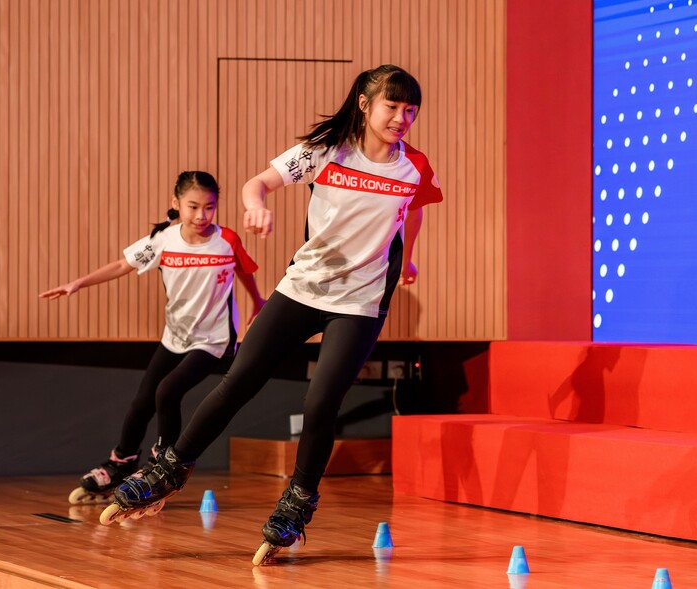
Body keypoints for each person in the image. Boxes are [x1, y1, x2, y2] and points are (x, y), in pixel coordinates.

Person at [108, 65, 442, 559]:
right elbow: (256, 183)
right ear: (367, 105)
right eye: (392, 107)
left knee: (320, 405)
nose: (402, 118)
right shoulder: (327, 150)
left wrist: (407, 253)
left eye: (410, 110)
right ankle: (169, 469)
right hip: (302, 288)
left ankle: (296, 505)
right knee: (238, 382)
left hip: (360, 302)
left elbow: (413, 208)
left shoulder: (413, 166)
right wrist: (255, 205)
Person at [39, 171, 265, 504]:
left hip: (213, 340)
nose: (201, 216)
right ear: (176, 204)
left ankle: (163, 466)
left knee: (168, 390)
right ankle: (121, 462)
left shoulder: (227, 240)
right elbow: (121, 265)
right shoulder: (164, 240)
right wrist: (78, 283)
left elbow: (242, 269)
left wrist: (258, 300)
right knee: (141, 402)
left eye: (209, 207)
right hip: (174, 337)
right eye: (193, 207)